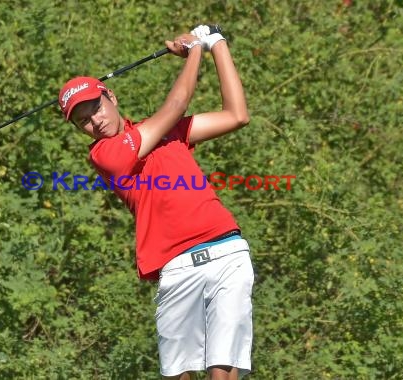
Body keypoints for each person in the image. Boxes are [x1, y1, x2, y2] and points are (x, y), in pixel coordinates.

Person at [58, 25, 255, 380]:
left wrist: (216, 43)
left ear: (111, 98)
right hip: (175, 267)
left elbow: (236, 115)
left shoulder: (166, 131)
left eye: (96, 108)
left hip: (226, 251)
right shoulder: (105, 155)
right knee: (179, 376)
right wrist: (195, 49)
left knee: (223, 374)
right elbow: (177, 103)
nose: (95, 122)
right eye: (83, 120)